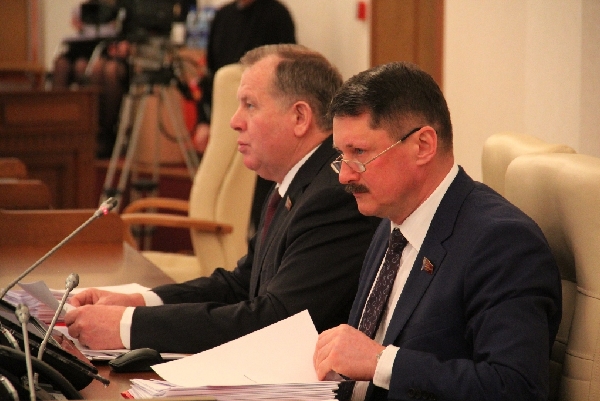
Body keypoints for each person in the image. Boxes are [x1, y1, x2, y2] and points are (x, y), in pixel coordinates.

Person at [64, 44, 381, 354]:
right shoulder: (293, 181)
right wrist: (139, 302)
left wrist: (127, 326)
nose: (234, 121)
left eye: (250, 105)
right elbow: (241, 285)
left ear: (299, 117)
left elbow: (276, 322)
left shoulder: (333, 196)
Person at [312, 62, 562, 400]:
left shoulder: (503, 243)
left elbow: (515, 388)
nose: (345, 175)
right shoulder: (391, 223)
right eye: (341, 155)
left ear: (423, 146)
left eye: (359, 152)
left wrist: (382, 362)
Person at [192, 0, 296, 234]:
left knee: (258, 204)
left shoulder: (277, 15)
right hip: (224, 121)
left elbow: (285, 79)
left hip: (262, 125)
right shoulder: (223, 17)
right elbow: (209, 75)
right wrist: (203, 121)